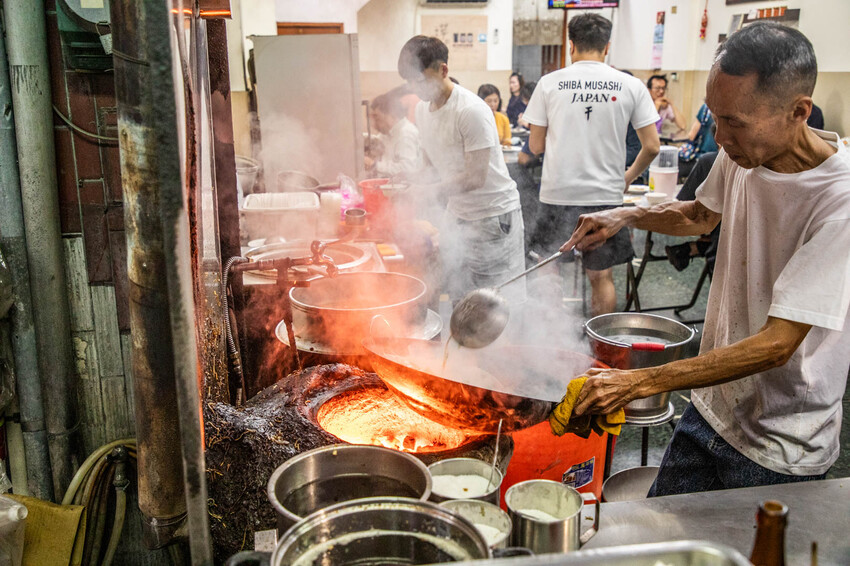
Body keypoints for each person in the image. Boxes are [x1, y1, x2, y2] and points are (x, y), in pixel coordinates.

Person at [560, 22, 850, 495]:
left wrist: (638, 382)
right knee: (665, 532)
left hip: (780, 441)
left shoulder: (838, 201)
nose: (720, 136)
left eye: (734, 121)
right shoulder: (741, 153)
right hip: (713, 406)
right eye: (716, 117)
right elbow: (699, 216)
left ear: (799, 111)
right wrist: (622, 215)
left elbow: (778, 343)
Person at [523, 13, 661, 316]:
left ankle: (552, 344)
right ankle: (602, 349)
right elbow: (652, 146)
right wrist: (626, 177)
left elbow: (534, 147)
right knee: (601, 277)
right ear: (607, 46)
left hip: (557, 194)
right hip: (605, 199)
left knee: (549, 274)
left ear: (571, 45)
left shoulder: (548, 84)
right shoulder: (630, 84)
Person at [397, 36, 525, 302]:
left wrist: (426, 191)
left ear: (443, 70)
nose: (415, 88)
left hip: (493, 216)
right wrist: (403, 181)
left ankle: (506, 345)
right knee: (460, 295)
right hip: (457, 215)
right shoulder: (422, 110)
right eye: (409, 81)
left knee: (493, 303)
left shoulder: (471, 110)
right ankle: (461, 345)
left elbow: (475, 177)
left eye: (419, 80)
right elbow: (430, 164)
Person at [365, 92, 422, 178]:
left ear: (392, 115)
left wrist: (374, 165)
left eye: (377, 118)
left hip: (406, 188)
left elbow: (407, 169)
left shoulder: (406, 134)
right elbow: (377, 141)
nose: (374, 125)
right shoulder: (388, 133)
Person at [678, 102, 718, 179]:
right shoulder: (732, 109)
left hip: (702, 157)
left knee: (675, 164)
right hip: (720, 158)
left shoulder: (706, 108)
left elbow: (691, 136)